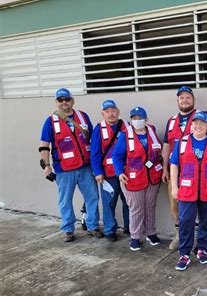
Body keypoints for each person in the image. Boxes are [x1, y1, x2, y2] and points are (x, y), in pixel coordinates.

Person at [162, 86, 207, 251]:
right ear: (177, 101)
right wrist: (165, 168)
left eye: (188, 97)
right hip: (176, 170)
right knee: (175, 206)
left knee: (201, 210)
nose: (185, 100)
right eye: (181, 98)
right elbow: (166, 145)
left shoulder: (203, 116)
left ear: (193, 100)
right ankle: (181, 236)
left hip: (200, 175)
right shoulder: (171, 121)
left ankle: (198, 243)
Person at [39, 88, 101, 242]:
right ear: (56, 102)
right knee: (65, 200)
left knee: (92, 197)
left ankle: (93, 226)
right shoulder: (50, 121)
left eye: (67, 99)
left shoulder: (82, 116)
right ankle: (68, 229)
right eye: (60, 100)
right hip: (64, 169)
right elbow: (44, 145)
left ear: (72, 100)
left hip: (85, 166)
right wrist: (46, 165)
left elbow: (93, 140)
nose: (64, 102)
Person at [170, 112, 207, 271]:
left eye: (202, 124)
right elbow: (174, 165)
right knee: (186, 221)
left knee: (205, 221)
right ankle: (184, 254)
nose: (198, 126)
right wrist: (175, 187)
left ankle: (202, 249)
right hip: (187, 190)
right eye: (196, 123)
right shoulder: (182, 142)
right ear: (191, 125)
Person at [112, 107, 163, 251]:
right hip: (133, 178)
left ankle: (150, 233)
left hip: (153, 176)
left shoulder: (151, 132)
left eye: (140, 118)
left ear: (146, 120)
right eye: (134, 118)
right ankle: (135, 237)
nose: (137, 121)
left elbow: (158, 151)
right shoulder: (125, 135)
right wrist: (119, 172)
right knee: (136, 208)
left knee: (150, 206)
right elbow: (116, 156)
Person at [90, 100, 130, 242]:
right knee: (109, 203)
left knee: (129, 201)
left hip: (126, 172)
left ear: (118, 111)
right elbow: (94, 152)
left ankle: (129, 227)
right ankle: (109, 230)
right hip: (108, 174)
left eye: (113, 110)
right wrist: (97, 172)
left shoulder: (127, 126)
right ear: (103, 113)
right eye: (107, 111)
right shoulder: (98, 129)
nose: (111, 114)